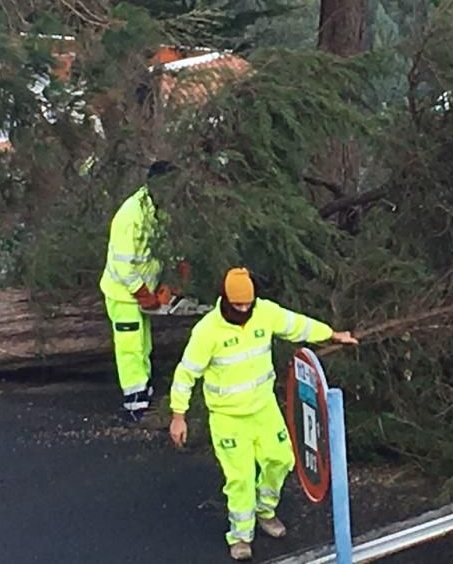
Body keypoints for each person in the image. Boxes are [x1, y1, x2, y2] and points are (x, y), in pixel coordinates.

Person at [169, 267, 358, 561]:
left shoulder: (264, 313)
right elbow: (186, 373)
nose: (245, 309)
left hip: (263, 408)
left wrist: (331, 334)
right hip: (228, 418)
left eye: (249, 304)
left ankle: (265, 511)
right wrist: (178, 415)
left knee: (281, 459)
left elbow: (297, 325)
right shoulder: (207, 331)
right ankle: (240, 536)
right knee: (240, 478)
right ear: (226, 300)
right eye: (239, 305)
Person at [99, 160, 185, 420]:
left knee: (143, 345)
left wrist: (168, 283)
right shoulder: (130, 215)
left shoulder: (161, 209)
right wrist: (143, 294)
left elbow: (166, 248)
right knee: (130, 348)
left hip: (146, 287)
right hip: (123, 294)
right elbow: (123, 266)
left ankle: (144, 390)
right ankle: (134, 403)